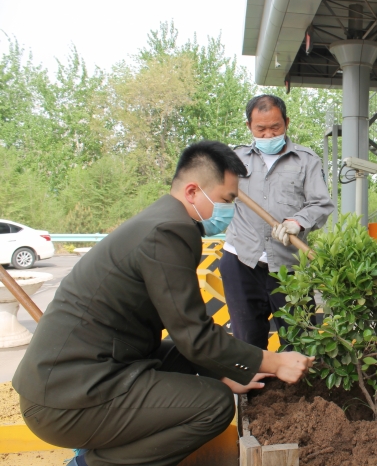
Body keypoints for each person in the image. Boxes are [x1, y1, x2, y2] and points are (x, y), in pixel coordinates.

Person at [12, 140, 315, 466]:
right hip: (65, 399)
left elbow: (187, 331)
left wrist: (226, 372)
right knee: (214, 405)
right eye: (227, 200)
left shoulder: (162, 221)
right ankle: (89, 464)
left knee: (180, 353)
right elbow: (196, 338)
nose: (230, 211)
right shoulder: (169, 232)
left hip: (87, 371)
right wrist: (275, 362)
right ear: (192, 192)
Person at [221, 94, 333, 350]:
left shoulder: (307, 160)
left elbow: (322, 204)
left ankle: (300, 390)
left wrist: (298, 222)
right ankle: (254, 390)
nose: (269, 135)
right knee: (247, 343)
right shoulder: (233, 160)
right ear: (249, 126)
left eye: (275, 127)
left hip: (289, 266)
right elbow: (217, 195)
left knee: (299, 341)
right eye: (261, 129)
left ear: (287, 123)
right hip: (241, 260)